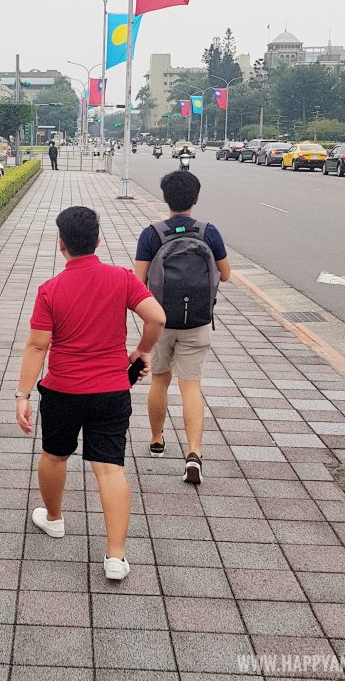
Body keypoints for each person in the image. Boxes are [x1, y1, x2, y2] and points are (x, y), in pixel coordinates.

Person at [16, 206, 166, 581]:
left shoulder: (50, 290)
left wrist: (22, 395)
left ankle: (53, 519)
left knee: (54, 455)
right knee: (110, 467)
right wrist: (142, 350)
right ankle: (115, 557)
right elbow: (157, 317)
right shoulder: (121, 278)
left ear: (61, 244)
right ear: (97, 240)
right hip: (111, 390)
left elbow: (37, 347)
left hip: (62, 391)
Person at [134, 171, 231, 484]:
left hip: (161, 321)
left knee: (159, 381)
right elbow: (225, 275)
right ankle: (194, 453)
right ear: (196, 199)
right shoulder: (209, 232)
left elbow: (137, 282)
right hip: (198, 322)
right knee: (191, 386)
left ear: (165, 199)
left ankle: (157, 440)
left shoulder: (152, 235)